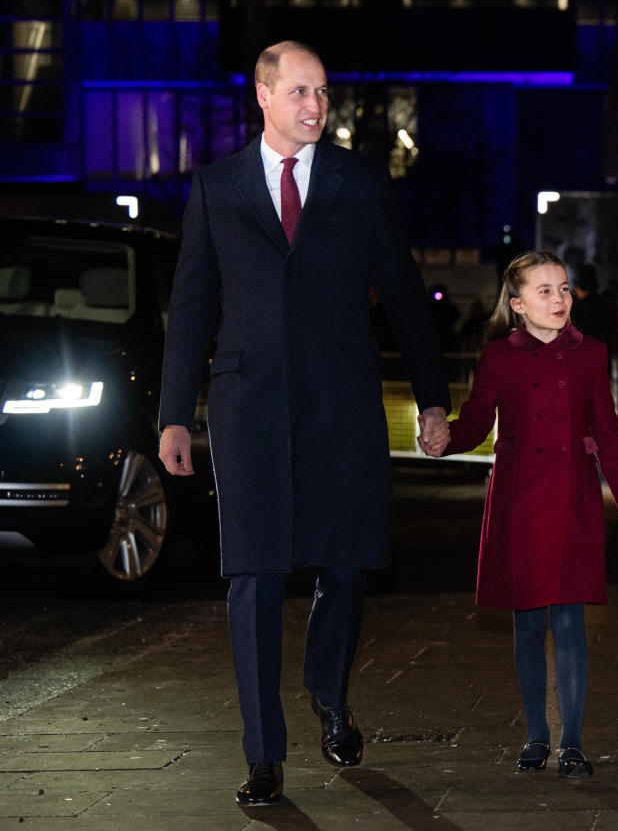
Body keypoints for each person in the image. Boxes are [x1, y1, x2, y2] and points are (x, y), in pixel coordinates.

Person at [157, 40, 451, 806]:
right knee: (251, 573)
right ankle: (263, 754)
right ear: (262, 95)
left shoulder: (359, 183)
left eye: (322, 91)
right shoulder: (216, 187)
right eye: (299, 92)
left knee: (344, 564)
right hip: (246, 401)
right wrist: (172, 416)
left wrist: (432, 399)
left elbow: (406, 293)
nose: (315, 105)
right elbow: (191, 305)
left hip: (342, 401)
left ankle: (328, 690)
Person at [425, 250, 618, 778]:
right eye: (544, 291)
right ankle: (536, 737)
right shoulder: (501, 356)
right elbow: (478, 420)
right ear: (517, 305)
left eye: (564, 288)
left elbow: (608, 428)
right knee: (527, 626)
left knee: (569, 622)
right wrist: (447, 436)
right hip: (519, 500)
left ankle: (571, 741)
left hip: (573, 499)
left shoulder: (590, 353)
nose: (559, 299)